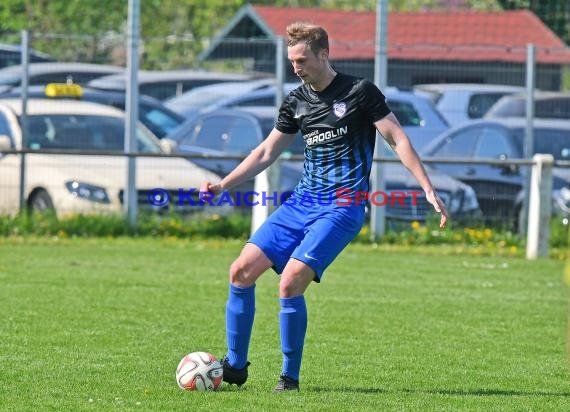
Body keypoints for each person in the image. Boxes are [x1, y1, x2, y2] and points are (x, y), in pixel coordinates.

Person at [199, 21, 449, 392]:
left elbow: (396, 137)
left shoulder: (360, 92)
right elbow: (267, 151)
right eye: (291, 61)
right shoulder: (296, 102)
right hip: (301, 202)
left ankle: (289, 377)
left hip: (343, 207)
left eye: (301, 60)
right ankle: (234, 367)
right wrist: (224, 185)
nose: (295, 68)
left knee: (290, 282)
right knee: (240, 272)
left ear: (323, 54)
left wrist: (427, 188)